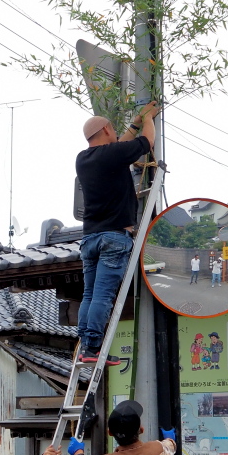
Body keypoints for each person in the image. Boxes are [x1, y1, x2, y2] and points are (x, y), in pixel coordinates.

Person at [76, 101, 159, 363]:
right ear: (107, 130)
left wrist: (133, 124)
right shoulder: (111, 155)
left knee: (89, 294)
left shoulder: (84, 158)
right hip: (113, 238)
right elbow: (147, 143)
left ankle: (85, 345)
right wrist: (148, 118)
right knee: (102, 295)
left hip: (90, 238)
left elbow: (118, 148)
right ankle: (92, 347)